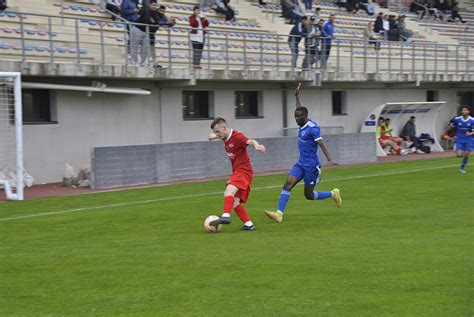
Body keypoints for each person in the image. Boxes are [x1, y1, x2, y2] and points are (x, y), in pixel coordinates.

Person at [264, 83, 342, 223]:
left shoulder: (313, 129)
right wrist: (297, 96)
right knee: (287, 184)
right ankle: (279, 213)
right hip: (300, 164)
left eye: (298, 117)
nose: (296, 119)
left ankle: (333, 194)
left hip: (311, 166)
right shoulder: (302, 122)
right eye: (295, 116)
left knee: (309, 195)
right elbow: (299, 109)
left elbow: (321, 143)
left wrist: (330, 159)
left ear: (305, 117)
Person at [208, 117, 266, 230]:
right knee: (234, 202)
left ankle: (225, 216)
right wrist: (214, 137)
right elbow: (222, 137)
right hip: (240, 171)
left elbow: (250, 141)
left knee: (228, 192)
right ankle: (249, 224)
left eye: (217, 131)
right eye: (215, 132)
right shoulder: (225, 135)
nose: (216, 134)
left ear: (224, 128)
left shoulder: (237, 137)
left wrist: (257, 145)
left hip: (243, 171)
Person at [450, 106, 474, 173]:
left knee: (466, 155)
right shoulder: (457, 119)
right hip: (459, 138)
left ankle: (461, 168)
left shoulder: (472, 120)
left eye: (465, 110)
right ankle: (457, 148)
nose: (463, 111)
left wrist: (470, 133)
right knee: (459, 155)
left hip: (469, 139)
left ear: (468, 111)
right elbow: (452, 125)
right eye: (462, 110)